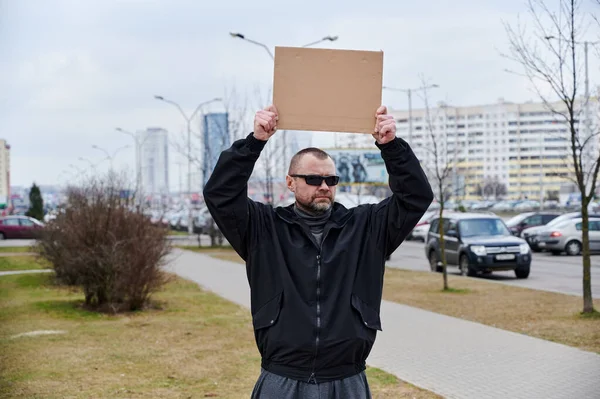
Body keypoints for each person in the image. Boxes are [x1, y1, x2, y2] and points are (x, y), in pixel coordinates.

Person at [203, 104, 433, 398]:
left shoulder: (366, 227)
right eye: (313, 179)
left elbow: (416, 196)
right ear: (290, 182)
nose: (324, 186)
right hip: (282, 378)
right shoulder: (263, 228)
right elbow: (220, 193)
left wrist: (390, 146)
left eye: (331, 180)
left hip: (346, 379)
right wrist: (255, 142)